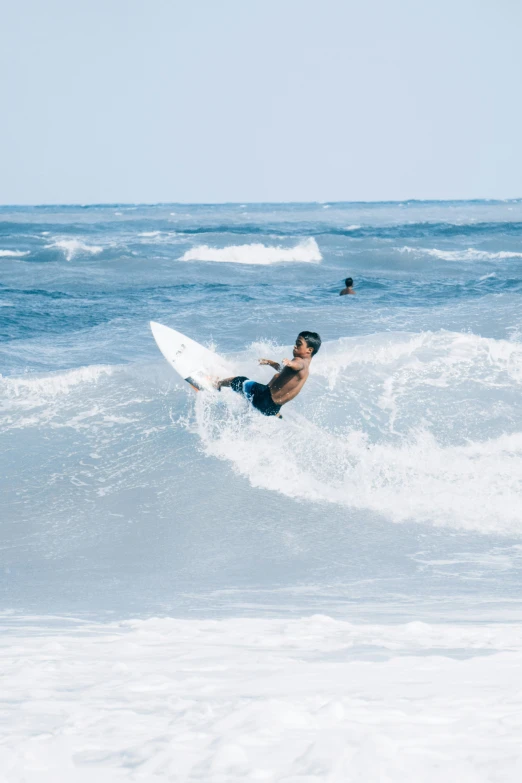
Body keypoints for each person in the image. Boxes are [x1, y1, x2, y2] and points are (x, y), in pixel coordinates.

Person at [215, 331, 321, 417]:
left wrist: (290, 362)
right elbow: (283, 371)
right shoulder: (306, 371)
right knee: (250, 392)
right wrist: (270, 362)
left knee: (240, 380)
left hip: (264, 397)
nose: (294, 346)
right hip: (272, 408)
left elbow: (296, 364)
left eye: (299, 344)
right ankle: (278, 416)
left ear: (309, 350)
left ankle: (217, 383)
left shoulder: (299, 361)